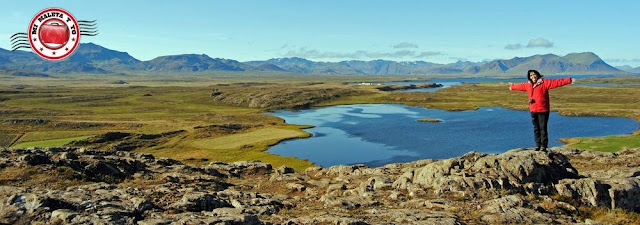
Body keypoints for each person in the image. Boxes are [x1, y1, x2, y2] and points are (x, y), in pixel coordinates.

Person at [509, 70, 575, 151]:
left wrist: (568, 80)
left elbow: (556, 82)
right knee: (536, 128)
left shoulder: (544, 82)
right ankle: (538, 145)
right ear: (529, 77)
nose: (533, 76)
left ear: (538, 75)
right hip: (533, 110)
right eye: (531, 75)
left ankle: (544, 146)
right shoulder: (528, 85)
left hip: (543, 110)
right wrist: (512, 87)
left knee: (543, 128)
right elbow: (520, 86)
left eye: (534, 74)